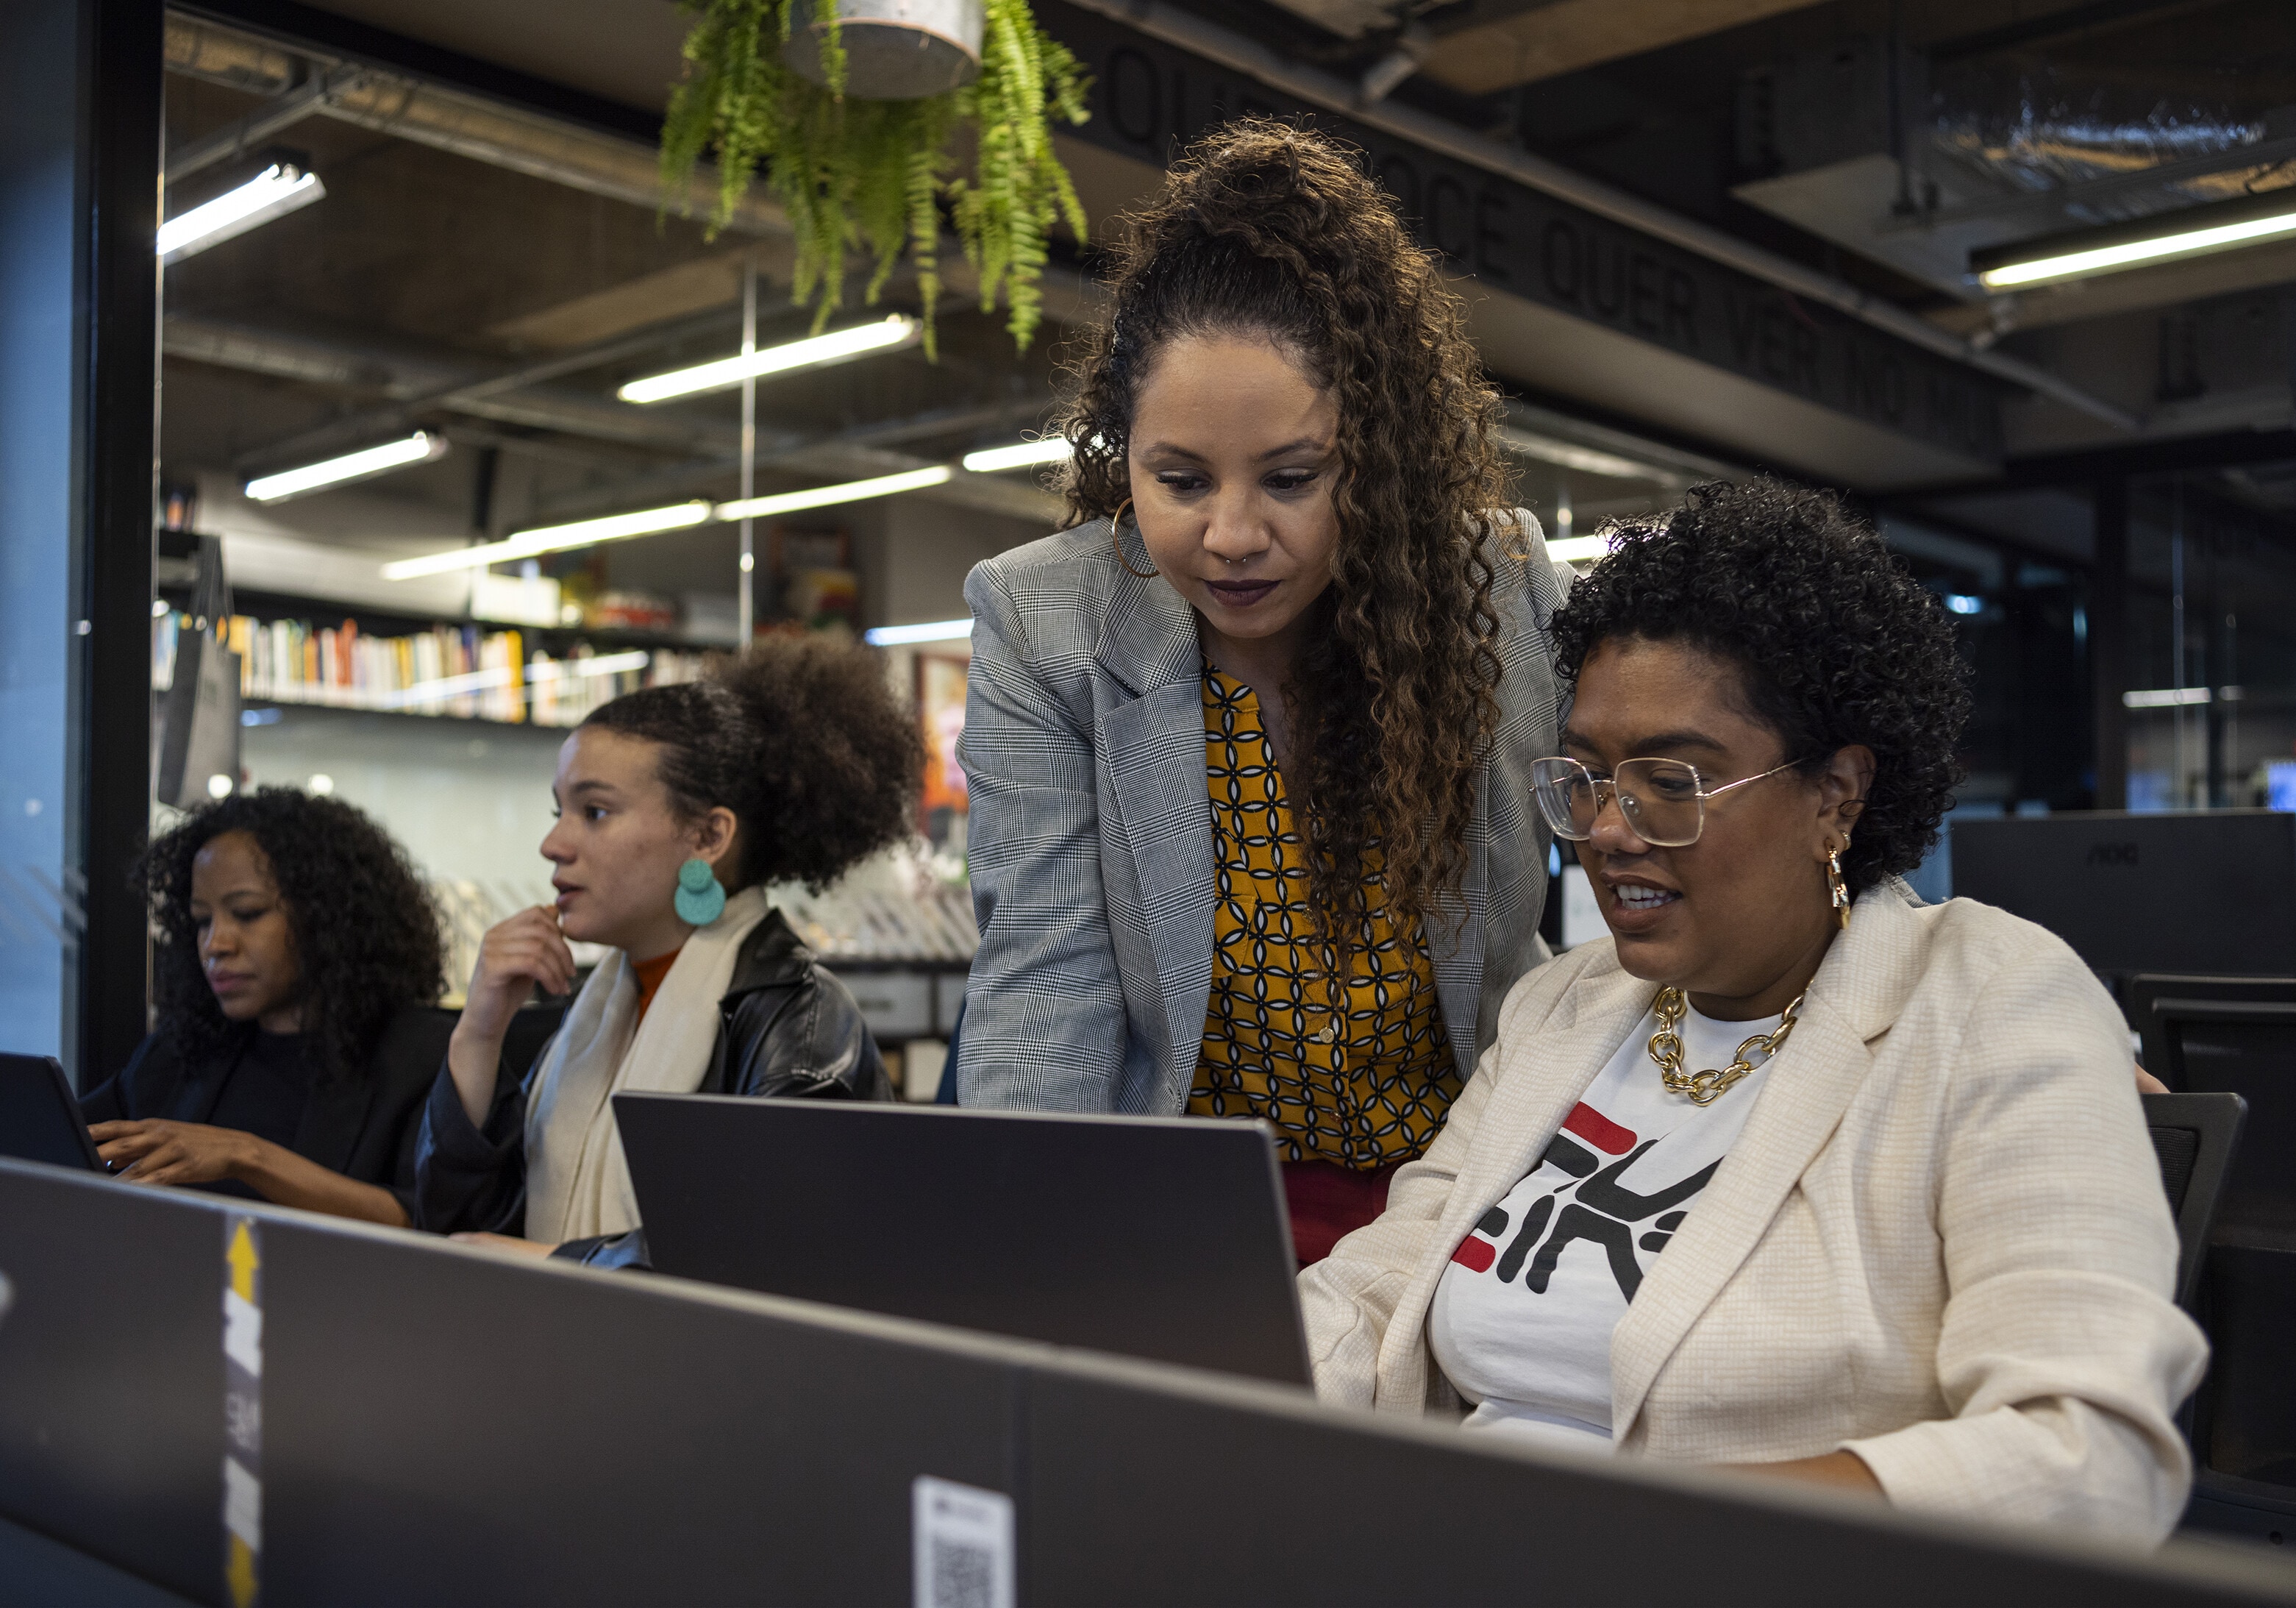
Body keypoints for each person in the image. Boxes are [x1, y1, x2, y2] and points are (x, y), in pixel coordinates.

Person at [1300, 480, 2206, 1540]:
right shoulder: (1564, 1005)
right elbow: (1373, 1293)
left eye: (1673, 781)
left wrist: (1640, 1534)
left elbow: (2086, 1451)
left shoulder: (1988, 1000)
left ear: (1837, 795)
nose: (1608, 829)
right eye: (1587, 776)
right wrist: (1193, 1380)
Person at [954, 120, 1569, 1264]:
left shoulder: (1501, 587)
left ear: (1376, 456)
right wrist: (1020, 1267)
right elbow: (1044, 988)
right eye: (1176, 480)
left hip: (1467, 1198)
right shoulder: (1045, 625)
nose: (1232, 536)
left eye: (1293, 478)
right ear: (1118, 454)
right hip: (1192, 1215)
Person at [414, 636, 919, 1264]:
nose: (553, 843)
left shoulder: (798, 1022)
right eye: (559, 811)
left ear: (708, 836)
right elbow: (458, 1230)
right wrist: (480, 1034)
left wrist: (559, 1265)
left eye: (595, 812)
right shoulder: (597, 1008)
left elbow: (777, 1249)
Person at [84, 789, 450, 1225]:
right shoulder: (181, 1052)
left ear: (326, 916)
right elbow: (66, 1140)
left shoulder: (419, 1056)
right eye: (202, 920)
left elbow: (425, 1221)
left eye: (247, 913)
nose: (216, 944)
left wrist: (247, 1156)